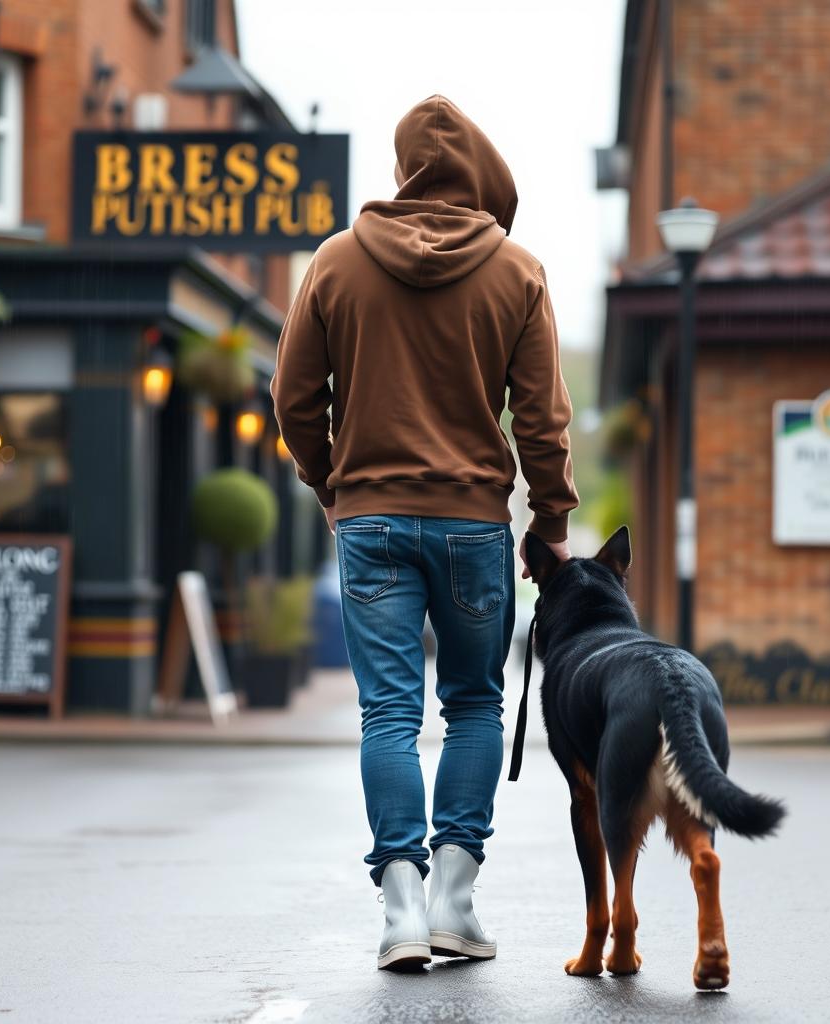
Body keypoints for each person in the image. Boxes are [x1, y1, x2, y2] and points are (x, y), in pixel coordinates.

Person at [271, 94, 578, 971]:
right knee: (475, 703)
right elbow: (543, 421)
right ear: (478, 174)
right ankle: (455, 898)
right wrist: (549, 521)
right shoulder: (517, 271)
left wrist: (332, 486)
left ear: (404, 170)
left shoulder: (335, 262)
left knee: (390, 712)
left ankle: (400, 908)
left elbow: (294, 401)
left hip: (369, 520)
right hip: (474, 527)